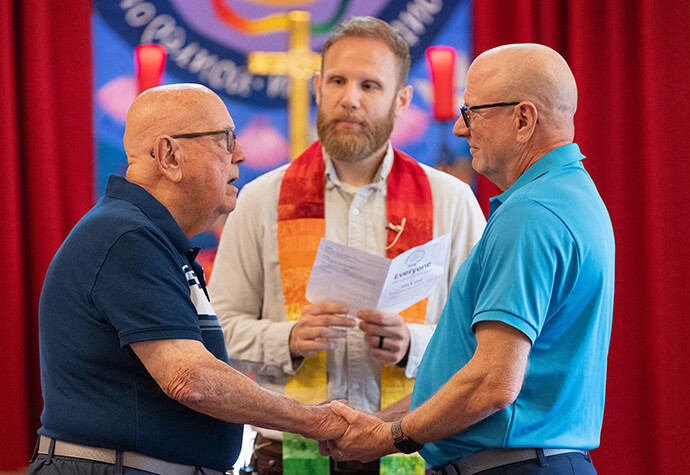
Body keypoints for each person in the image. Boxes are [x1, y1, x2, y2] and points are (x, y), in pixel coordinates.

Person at [208, 16, 485, 475]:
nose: (349, 98)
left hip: (410, 451)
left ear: (402, 100)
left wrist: (412, 344)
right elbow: (216, 335)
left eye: (370, 85)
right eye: (337, 80)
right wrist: (288, 339)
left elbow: (482, 345)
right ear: (318, 86)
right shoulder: (260, 200)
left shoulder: (450, 201)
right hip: (290, 455)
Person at [321, 43, 615, 475]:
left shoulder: (530, 214)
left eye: (472, 112)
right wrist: (380, 421)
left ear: (523, 119)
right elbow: (471, 368)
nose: (460, 129)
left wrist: (388, 438)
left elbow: (493, 383)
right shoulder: (572, 194)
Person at [30, 84, 347, 475]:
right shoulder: (126, 236)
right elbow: (191, 379)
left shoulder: (148, 236)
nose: (241, 154)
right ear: (169, 155)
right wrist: (318, 422)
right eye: (225, 139)